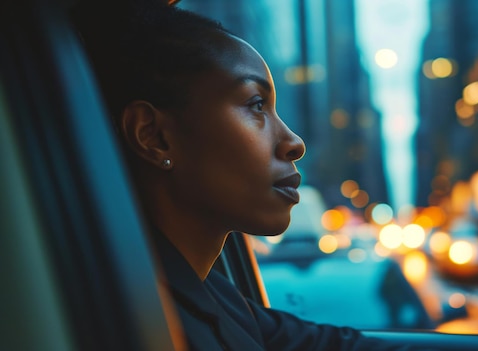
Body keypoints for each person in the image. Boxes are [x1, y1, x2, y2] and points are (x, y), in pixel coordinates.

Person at [73, 2, 418, 350]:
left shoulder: (213, 294)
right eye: (256, 104)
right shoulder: (133, 315)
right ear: (154, 136)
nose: (294, 143)